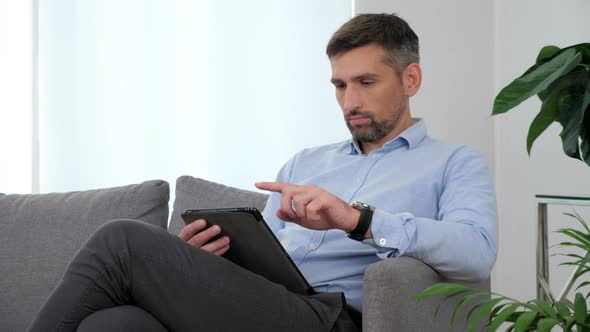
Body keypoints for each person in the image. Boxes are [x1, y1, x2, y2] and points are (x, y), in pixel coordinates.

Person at [28, 13, 497, 332]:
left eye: (366, 82)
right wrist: (209, 260)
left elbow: (476, 253)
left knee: (121, 240)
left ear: (410, 79)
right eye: (339, 85)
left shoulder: (454, 162)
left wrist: (359, 220)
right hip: (270, 304)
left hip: (332, 319)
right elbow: (268, 259)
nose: (350, 101)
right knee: (113, 325)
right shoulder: (306, 162)